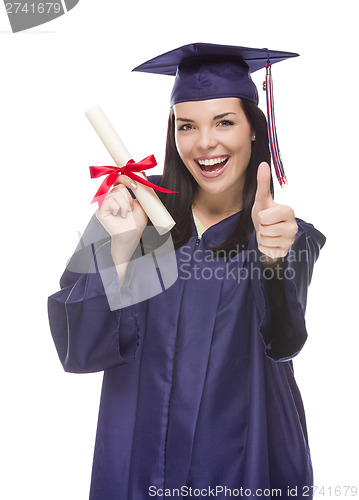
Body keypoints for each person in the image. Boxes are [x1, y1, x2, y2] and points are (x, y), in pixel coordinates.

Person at [48, 43, 326, 500]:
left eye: (225, 122)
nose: (204, 143)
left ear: (254, 130)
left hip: (241, 459)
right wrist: (121, 246)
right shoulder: (132, 214)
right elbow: (79, 347)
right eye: (187, 126)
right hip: (137, 457)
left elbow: (285, 340)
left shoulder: (282, 232)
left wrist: (273, 263)